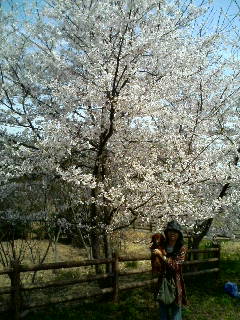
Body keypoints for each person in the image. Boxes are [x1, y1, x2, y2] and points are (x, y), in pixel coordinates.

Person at [152, 220, 187, 320]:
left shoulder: (182, 248)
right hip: (162, 281)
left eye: (175, 231)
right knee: (163, 312)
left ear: (179, 234)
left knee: (176, 314)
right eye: (170, 231)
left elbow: (176, 266)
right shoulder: (161, 245)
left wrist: (161, 256)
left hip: (176, 282)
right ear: (166, 232)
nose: (172, 233)